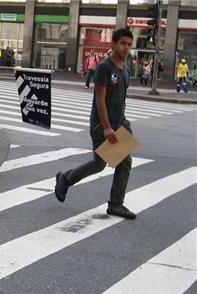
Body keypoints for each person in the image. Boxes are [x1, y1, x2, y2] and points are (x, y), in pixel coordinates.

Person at [54, 28, 137, 220]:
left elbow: (121, 98)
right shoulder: (104, 68)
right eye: (123, 43)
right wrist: (107, 127)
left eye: (129, 45)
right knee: (100, 164)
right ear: (113, 44)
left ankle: (115, 203)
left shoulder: (125, 68)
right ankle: (65, 179)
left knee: (122, 162)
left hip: (120, 122)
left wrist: (122, 124)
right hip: (103, 125)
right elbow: (100, 99)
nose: (126, 48)